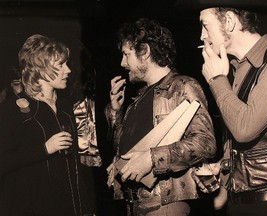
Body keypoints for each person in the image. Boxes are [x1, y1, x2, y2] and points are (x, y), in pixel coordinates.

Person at [105, 18, 216, 216]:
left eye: (126, 54)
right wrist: (115, 112)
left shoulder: (183, 87)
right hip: (134, 205)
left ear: (145, 51)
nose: (123, 63)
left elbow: (205, 143)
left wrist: (152, 158)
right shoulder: (138, 98)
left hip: (163, 205)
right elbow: (121, 146)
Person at [192, 1, 267, 216]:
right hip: (243, 203)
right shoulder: (237, 69)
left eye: (205, 26)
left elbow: (245, 129)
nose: (201, 36)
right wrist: (222, 166)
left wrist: (217, 79)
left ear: (229, 21)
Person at [0, 34, 96, 215]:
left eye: (66, 63)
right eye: (60, 65)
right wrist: (44, 149)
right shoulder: (11, 109)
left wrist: (86, 207)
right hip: (34, 206)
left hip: (68, 207)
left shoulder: (66, 107)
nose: (68, 70)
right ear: (39, 69)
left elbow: (77, 165)